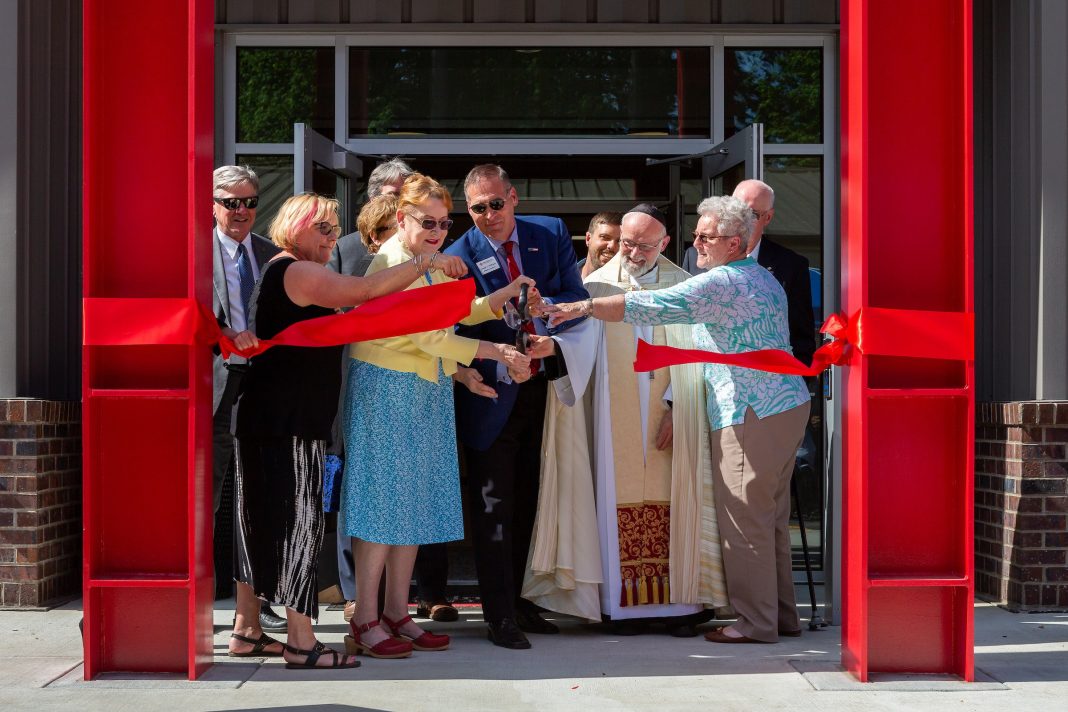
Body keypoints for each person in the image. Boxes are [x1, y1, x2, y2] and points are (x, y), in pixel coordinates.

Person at [545, 195, 811, 645]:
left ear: (733, 241)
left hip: (748, 410)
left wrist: (584, 306)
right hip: (783, 405)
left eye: (705, 236)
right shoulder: (760, 277)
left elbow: (649, 307)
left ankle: (755, 624)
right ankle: (781, 616)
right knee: (769, 521)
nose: (696, 243)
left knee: (745, 523)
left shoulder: (719, 281)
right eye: (696, 234)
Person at [228, 192, 468, 668]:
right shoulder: (297, 270)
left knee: (260, 525)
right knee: (298, 528)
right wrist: (425, 262)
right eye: (323, 229)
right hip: (287, 422)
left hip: (275, 418)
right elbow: (363, 293)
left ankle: (247, 630)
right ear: (294, 227)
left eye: (335, 230)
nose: (332, 238)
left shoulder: (287, 269)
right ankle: (300, 643)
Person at [340, 174, 539, 659]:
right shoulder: (393, 260)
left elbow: (453, 315)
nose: (436, 231)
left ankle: (397, 613)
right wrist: (495, 351)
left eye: (443, 222)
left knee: (411, 506)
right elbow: (427, 335)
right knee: (382, 508)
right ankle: (365, 618)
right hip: (388, 392)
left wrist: (502, 294)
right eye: (426, 221)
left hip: (422, 390)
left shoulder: (421, 264)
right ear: (401, 218)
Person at [523, 205, 728, 637]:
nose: (630, 252)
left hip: (673, 409)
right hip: (609, 417)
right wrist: (554, 348)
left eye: (642, 245)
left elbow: (703, 354)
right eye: (626, 242)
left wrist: (677, 405)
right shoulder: (594, 285)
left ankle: (680, 606)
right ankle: (619, 606)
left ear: (665, 244)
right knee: (610, 493)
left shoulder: (684, 286)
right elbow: (576, 344)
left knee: (677, 497)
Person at [444, 164, 588, 650]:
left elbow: (577, 295)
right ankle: (498, 614)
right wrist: (496, 359)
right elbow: (454, 331)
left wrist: (546, 320)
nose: (489, 215)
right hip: (489, 396)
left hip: (541, 393)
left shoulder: (548, 234)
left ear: (514, 197)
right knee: (494, 510)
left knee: (531, 501)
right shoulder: (456, 256)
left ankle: (522, 601)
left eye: (496, 203)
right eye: (478, 208)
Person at [210, 164, 286, 634]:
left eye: (250, 202)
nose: (241, 211)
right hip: (216, 388)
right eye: (231, 202)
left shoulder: (269, 254)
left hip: (264, 386)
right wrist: (225, 336)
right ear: (213, 204)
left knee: (260, 497)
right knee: (210, 497)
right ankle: (199, 604)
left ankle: (258, 605)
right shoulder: (193, 252)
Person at [682, 179, 816, 365]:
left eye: (750, 214)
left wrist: (796, 381)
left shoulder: (791, 265)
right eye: (734, 209)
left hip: (766, 382)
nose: (739, 219)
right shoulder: (696, 255)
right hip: (707, 374)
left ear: (767, 218)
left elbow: (801, 336)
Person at [577, 211, 622, 279]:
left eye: (619, 241)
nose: (612, 246)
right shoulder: (560, 279)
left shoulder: (631, 287)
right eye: (605, 237)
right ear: (588, 238)